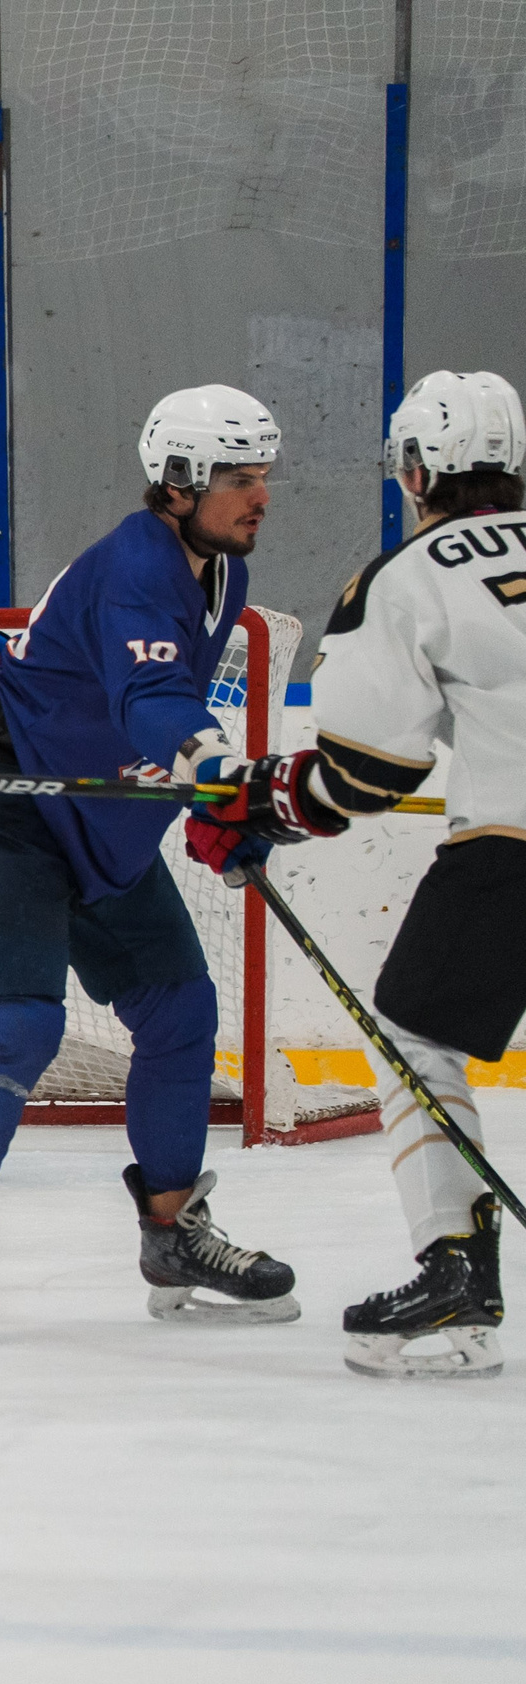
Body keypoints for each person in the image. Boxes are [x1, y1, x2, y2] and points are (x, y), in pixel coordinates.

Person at [0, 385, 316, 1341]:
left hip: (91, 807)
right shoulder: (134, 565)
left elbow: (142, 715)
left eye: (263, 478)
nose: (262, 496)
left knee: (179, 1007)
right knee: (20, 1024)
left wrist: (205, 803)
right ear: (180, 481)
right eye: (241, 479)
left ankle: (173, 1230)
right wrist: (219, 774)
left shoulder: (220, 577)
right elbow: (154, 700)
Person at [301, 368, 524, 1378]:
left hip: (510, 850)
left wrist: (270, 806)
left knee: (413, 1034)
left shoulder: (407, 575)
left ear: (415, 466)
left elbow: (366, 768)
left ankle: (455, 1280)